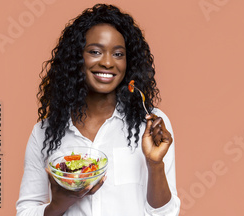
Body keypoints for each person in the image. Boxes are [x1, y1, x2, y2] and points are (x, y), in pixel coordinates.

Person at [16, 4, 180, 216]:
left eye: (118, 54)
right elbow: (25, 211)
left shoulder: (151, 125)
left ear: (128, 63)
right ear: (76, 58)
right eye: (95, 51)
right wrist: (59, 204)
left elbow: (166, 214)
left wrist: (154, 163)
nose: (107, 62)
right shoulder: (44, 132)